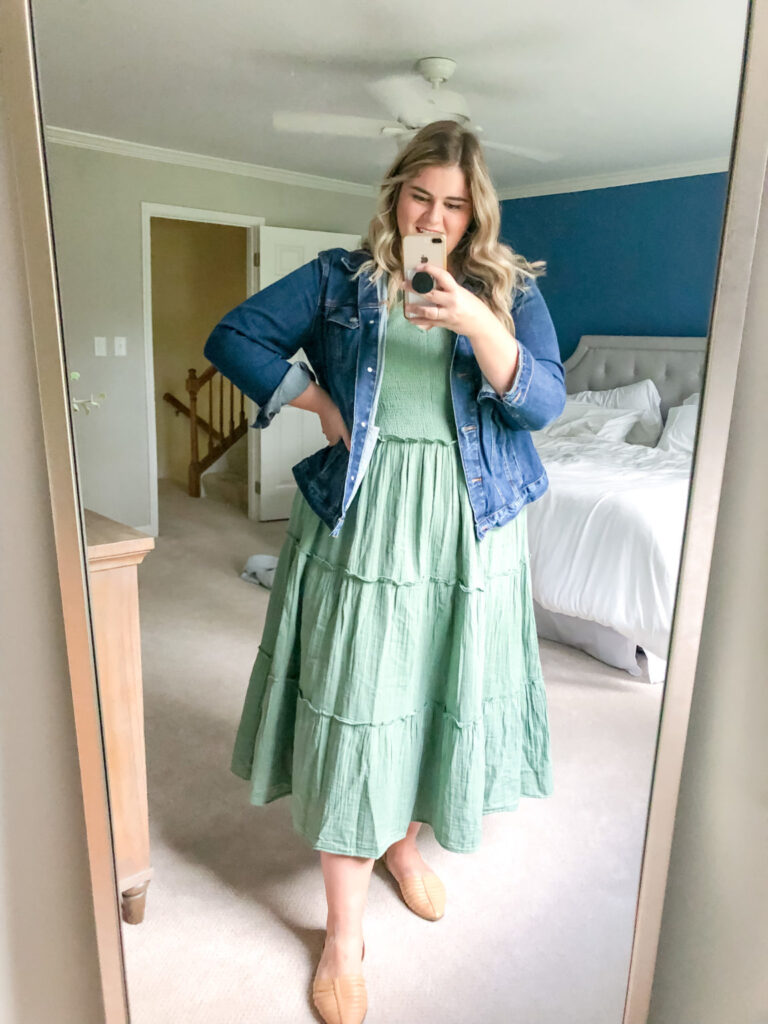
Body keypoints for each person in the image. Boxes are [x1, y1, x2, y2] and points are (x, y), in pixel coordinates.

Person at [204, 119, 566, 1024]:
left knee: (437, 691)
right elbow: (234, 337)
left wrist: (476, 315)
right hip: (367, 525)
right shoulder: (339, 277)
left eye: (454, 203)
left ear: (475, 210)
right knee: (362, 702)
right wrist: (316, 398)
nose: (435, 218)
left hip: (471, 527)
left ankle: (405, 847)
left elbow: (544, 402)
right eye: (420, 197)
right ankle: (344, 933)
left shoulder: (509, 289)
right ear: (394, 196)